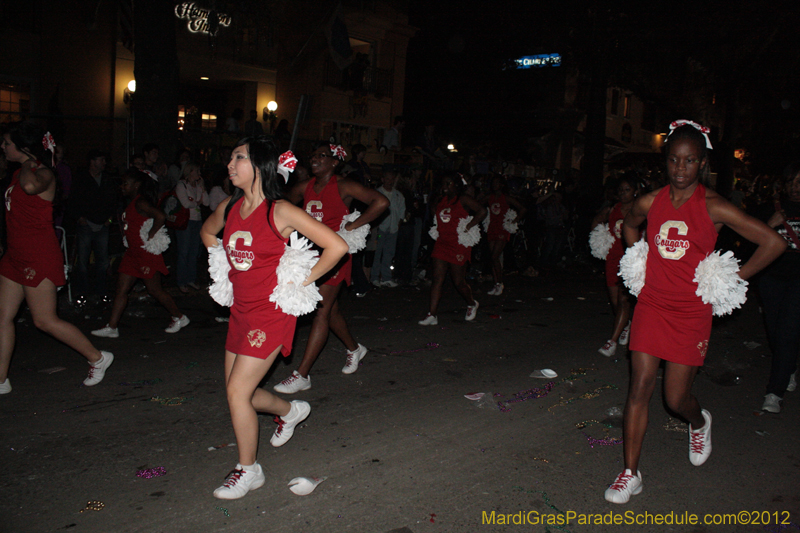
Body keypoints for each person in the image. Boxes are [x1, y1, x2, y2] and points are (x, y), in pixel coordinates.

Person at [604, 121, 786, 504]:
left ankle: (700, 422)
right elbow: (629, 224)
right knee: (639, 387)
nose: (680, 168)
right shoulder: (650, 201)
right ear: (666, 161)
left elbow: (773, 242)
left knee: (675, 399)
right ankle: (630, 473)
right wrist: (639, 260)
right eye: (674, 160)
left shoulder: (714, 205)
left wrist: (732, 278)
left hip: (690, 312)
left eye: (689, 161)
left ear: (702, 163)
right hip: (652, 305)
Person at [200, 136, 347, 499]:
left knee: (237, 392)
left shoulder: (279, 211)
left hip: (270, 314)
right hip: (240, 311)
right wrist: (222, 265)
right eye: (231, 157)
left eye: (239, 158)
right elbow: (206, 231)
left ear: (260, 166)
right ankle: (290, 410)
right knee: (241, 395)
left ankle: (249, 470)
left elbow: (337, 246)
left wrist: (300, 280)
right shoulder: (230, 206)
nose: (230, 164)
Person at [0, 122, 114, 394]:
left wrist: (29, 161)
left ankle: (98, 358)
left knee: (44, 320)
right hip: (15, 255)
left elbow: (30, 187)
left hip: (37, 255)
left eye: (7, 143)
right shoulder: (19, 172)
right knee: (2, 318)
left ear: (23, 147)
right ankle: (1, 380)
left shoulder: (43, 173)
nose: (2, 147)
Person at [273, 142, 389, 392]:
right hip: (308, 255)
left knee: (320, 312)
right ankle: (355, 349)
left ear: (334, 162)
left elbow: (380, 202)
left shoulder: (344, 185)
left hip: (335, 256)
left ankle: (302, 375)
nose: (315, 159)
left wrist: (353, 225)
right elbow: (279, 207)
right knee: (330, 309)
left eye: (322, 156)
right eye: (313, 155)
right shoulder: (304, 186)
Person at [91, 169, 190, 339]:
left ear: (136, 185)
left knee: (155, 290)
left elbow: (160, 216)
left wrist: (151, 234)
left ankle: (180, 317)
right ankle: (112, 327)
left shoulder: (141, 202)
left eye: (126, 184)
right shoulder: (133, 202)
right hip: (132, 254)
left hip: (145, 254)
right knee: (121, 290)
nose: (122, 187)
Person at [757, 162, 800, 413]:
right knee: (775, 331)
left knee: (787, 332)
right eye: (792, 182)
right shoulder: (770, 209)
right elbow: (749, 242)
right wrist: (769, 225)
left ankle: (775, 392)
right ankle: (789, 366)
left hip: (798, 281)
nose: (796, 187)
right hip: (771, 277)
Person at [418, 173, 486, 325]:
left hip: (458, 245)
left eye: (449, 183)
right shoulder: (440, 200)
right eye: (443, 183)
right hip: (441, 243)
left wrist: (468, 226)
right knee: (437, 279)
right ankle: (432, 314)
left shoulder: (463, 199)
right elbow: (435, 216)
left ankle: (471, 303)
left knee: (458, 282)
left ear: (456, 185)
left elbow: (482, 211)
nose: (445, 186)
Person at [591, 176, 639, 356]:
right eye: (621, 190)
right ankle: (626, 324)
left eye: (627, 190)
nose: (623, 193)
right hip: (613, 259)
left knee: (624, 300)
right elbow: (596, 221)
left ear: (635, 192)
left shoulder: (640, 210)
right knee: (615, 302)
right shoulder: (612, 209)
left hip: (630, 260)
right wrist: (600, 238)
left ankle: (611, 342)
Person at [67, 149, 117, 300]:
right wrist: (79, 218)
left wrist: (110, 219)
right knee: (83, 260)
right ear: (92, 161)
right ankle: (83, 291)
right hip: (86, 224)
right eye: (101, 160)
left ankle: (101, 291)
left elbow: (114, 200)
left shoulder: (107, 179)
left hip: (103, 224)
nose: (104, 163)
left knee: (102, 260)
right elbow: (72, 200)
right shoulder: (81, 179)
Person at [482, 175, 526, 296]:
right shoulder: (489, 197)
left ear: (502, 185)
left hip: (502, 230)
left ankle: (500, 283)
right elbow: (477, 205)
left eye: (497, 183)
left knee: (494, 256)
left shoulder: (506, 198)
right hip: (492, 228)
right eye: (493, 182)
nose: (494, 185)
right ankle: (496, 284)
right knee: (493, 258)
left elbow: (522, 209)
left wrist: (514, 221)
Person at [175, 162, 209, 292]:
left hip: (197, 221)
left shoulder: (198, 186)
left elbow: (206, 202)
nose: (199, 174)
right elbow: (185, 203)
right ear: (190, 172)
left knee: (194, 252)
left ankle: (191, 279)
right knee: (184, 252)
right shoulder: (182, 185)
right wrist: (197, 203)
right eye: (197, 171)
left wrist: (203, 188)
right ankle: (181, 281)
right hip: (186, 221)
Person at [371, 170, 405, 287]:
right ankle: (374, 277)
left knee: (389, 254)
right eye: (388, 179)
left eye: (392, 179)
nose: (390, 181)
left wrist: (398, 225)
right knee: (377, 253)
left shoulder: (398, 195)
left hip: (393, 229)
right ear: (383, 179)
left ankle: (386, 278)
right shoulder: (377, 193)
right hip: (380, 229)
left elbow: (402, 212)